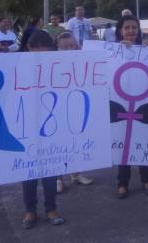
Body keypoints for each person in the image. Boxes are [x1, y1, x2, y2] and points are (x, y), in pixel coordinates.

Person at [21, 30, 65, 228]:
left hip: (52, 129)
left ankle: (51, 209)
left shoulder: (60, 66)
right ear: (29, 48)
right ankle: (30, 210)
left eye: (44, 51)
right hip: (26, 129)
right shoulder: (17, 67)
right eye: (35, 50)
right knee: (27, 174)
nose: (40, 55)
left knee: (50, 173)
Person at [114, 15, 148, 198]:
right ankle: (122, 182)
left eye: (134, 27)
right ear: (120, 31)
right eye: (127, 27)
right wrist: (121, 51)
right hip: (122, 103)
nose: (131, 31)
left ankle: (146, 178)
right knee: (124, 143)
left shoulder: (147, 50)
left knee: (141, 140)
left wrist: (147, 53)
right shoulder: (113, 50)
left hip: (142, 101)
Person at [54, 32, 94, 192]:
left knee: (76, 140)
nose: (70, 49)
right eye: (65, 47)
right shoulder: (51, 63)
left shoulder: (85, 59)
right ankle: (57, 177)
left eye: (72, 45)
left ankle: (76, 173)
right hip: (57, 109)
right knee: (58, 143)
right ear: (58, 48)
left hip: (77, 107)